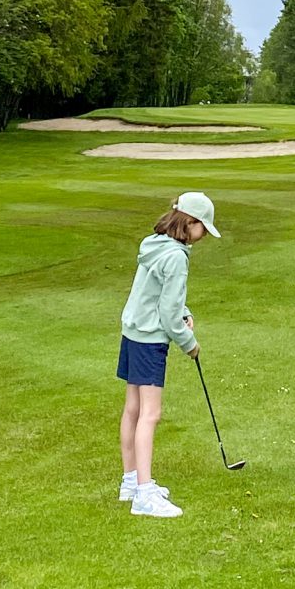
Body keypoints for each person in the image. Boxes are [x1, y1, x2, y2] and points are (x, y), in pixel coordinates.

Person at [118, 191, 221, 518]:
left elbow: (159, 294)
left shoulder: (154, 243)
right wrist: (189, 343)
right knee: (151, 413)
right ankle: (144, 496)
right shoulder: (176, 256)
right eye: (203, 227)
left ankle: (131, 481)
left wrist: (183, 311)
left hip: (132, 331)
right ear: (189, 223)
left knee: (133, 408)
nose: (203, 235)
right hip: (150, 339)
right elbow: (167, 312)